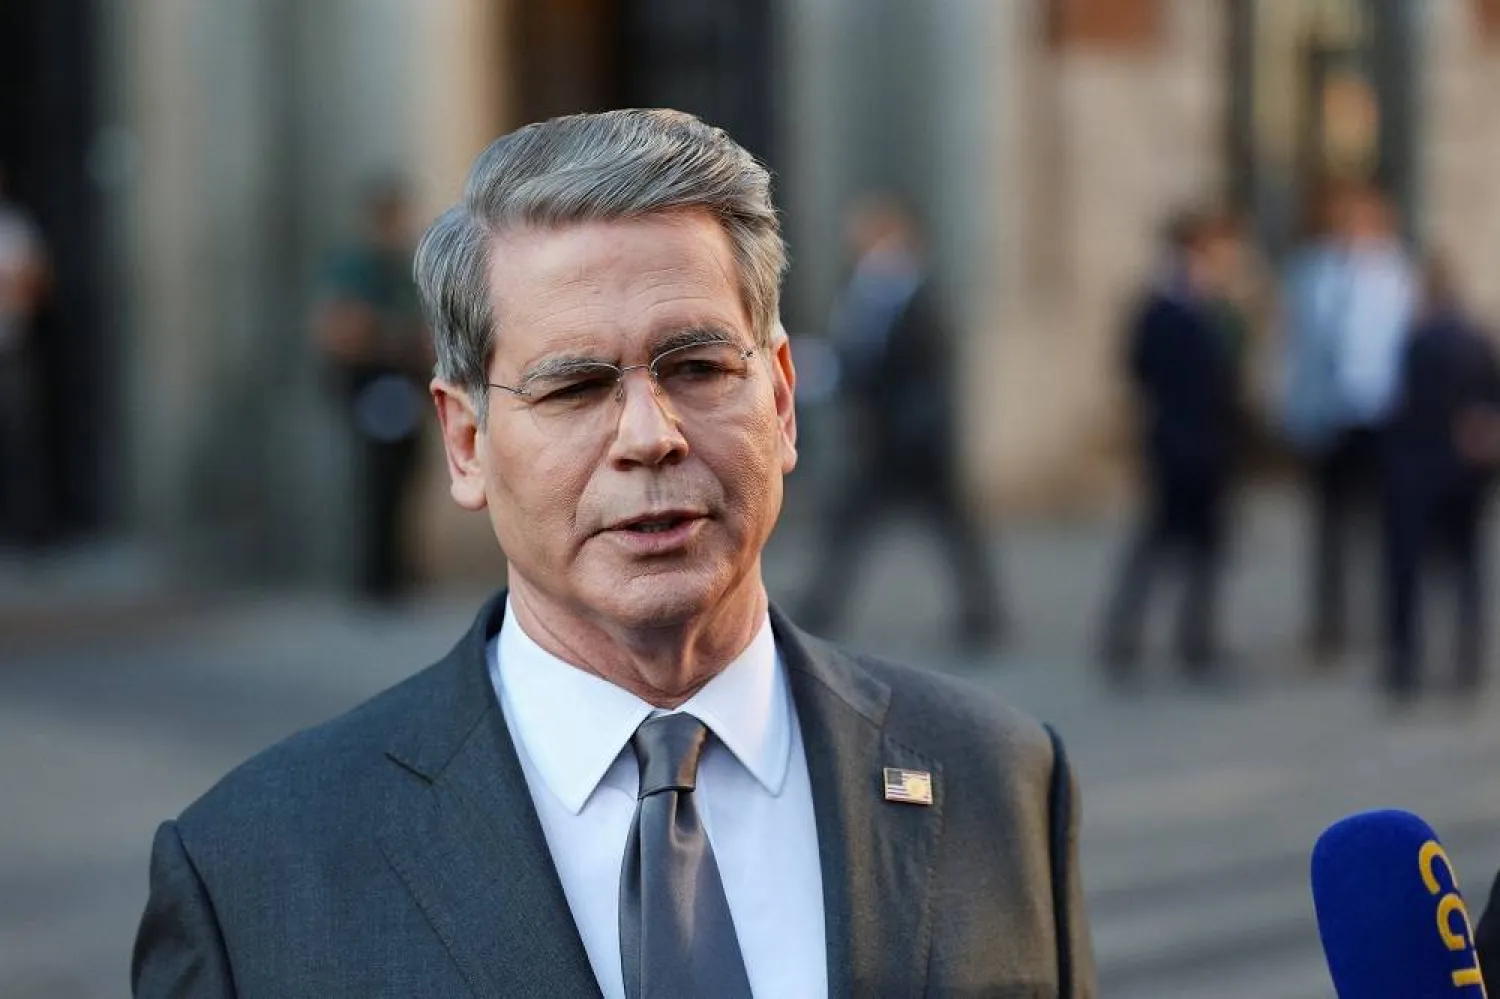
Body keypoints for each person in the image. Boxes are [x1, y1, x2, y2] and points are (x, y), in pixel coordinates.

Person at [132, 110, 1097, 998]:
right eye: (574, 389)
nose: (650, 433)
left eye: (699, 367)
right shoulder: (252, 874)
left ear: (783, 399)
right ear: (465, 442)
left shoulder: (1000, 782)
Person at [794, 193, 1006, 650]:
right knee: (853, 523)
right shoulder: (862, 290)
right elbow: (860, 358)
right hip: (882, 439)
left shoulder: (915, 293)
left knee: (950, 529)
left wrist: (921, 427)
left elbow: (930, 371)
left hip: (918, 444)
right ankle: (820, 604)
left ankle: (983, 613)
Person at [1099, 209, 1244, 681]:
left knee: (1202, 549)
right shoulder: (1165, 305)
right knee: (1159, 543)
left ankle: (1194, 641)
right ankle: (1125, 637)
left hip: (1210, 441)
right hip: (1178, 441)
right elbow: (1141, 366)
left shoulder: (1214, 304)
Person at [1279, 183, 1418, 663]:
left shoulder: (1395, 273)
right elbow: (1296, 344)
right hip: (1326, 413)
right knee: (1329, 526)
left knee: (1383, 525)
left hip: (1378, 412)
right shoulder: (1312, 271)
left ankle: (1387, 619)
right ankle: (1329, 623)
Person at [1379, 255, 1500, 705]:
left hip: (1418, 472)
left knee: (1408, 574)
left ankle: (1405, 664)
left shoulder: (1415, 342)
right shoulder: (1477, 340)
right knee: (1466, 572)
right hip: (1464, 475)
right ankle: (1466, 663)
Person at [312, 176, 433, 602]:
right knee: (377, 477)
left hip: (406, 382)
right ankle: (376, 576)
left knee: (406, 473)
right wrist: (394, 339)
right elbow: (344, 329)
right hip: (375, 382)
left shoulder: (405, 263)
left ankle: (399, 568)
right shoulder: (357, 266)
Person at [0, 164, 51, 548]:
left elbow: (34, 284)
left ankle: (27, 531)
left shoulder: (14, 227)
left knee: (21, 439)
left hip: (12, 348)